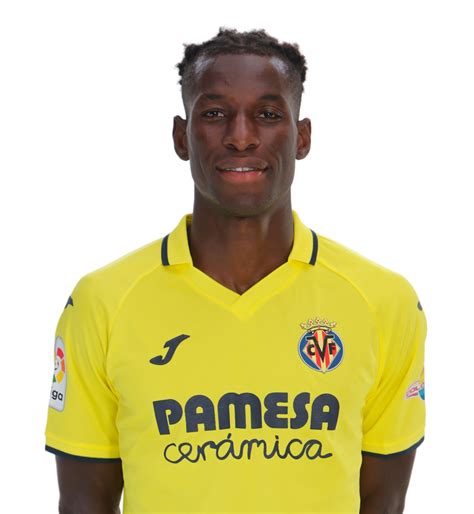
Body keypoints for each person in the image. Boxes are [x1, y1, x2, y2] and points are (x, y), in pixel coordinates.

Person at [44, 27, 427, 514]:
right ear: (182, 137)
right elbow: (83, 502)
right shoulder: (103, 302)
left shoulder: (383, 302)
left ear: (302, 137)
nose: (241, 137)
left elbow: (384, 501)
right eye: (214, 114)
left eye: (267, 115)